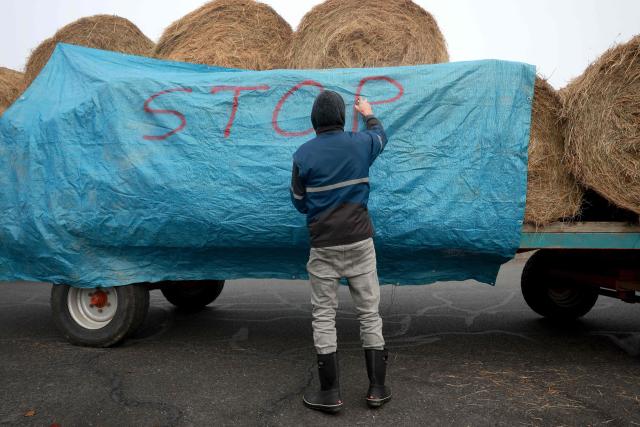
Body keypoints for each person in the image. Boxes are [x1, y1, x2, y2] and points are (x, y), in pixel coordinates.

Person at [290, 90, 391, 413]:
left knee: (324, 315)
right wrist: (368, 111)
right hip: (360, 242)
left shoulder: (303, 155)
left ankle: (330, 393)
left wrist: (318, 207)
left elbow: (298, 201)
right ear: (341, 118)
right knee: (369, 314)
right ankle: (377, 389)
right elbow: (381, 136)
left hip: (324, 245)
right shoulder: (361, 143)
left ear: (313, 121)